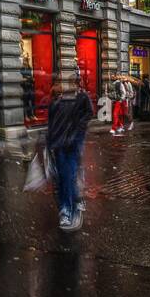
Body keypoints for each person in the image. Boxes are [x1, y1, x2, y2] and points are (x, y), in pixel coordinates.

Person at [47, 75, 94, 230]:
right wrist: (50, 145)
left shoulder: (79, 98)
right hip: (61, 144)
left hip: (71, 142)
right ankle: (71, 204)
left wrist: (78, 130)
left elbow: (87, 114)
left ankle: (68, 209)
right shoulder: (56, 104)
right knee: (63, 178)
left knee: (68, 176)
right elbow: (52, 126)